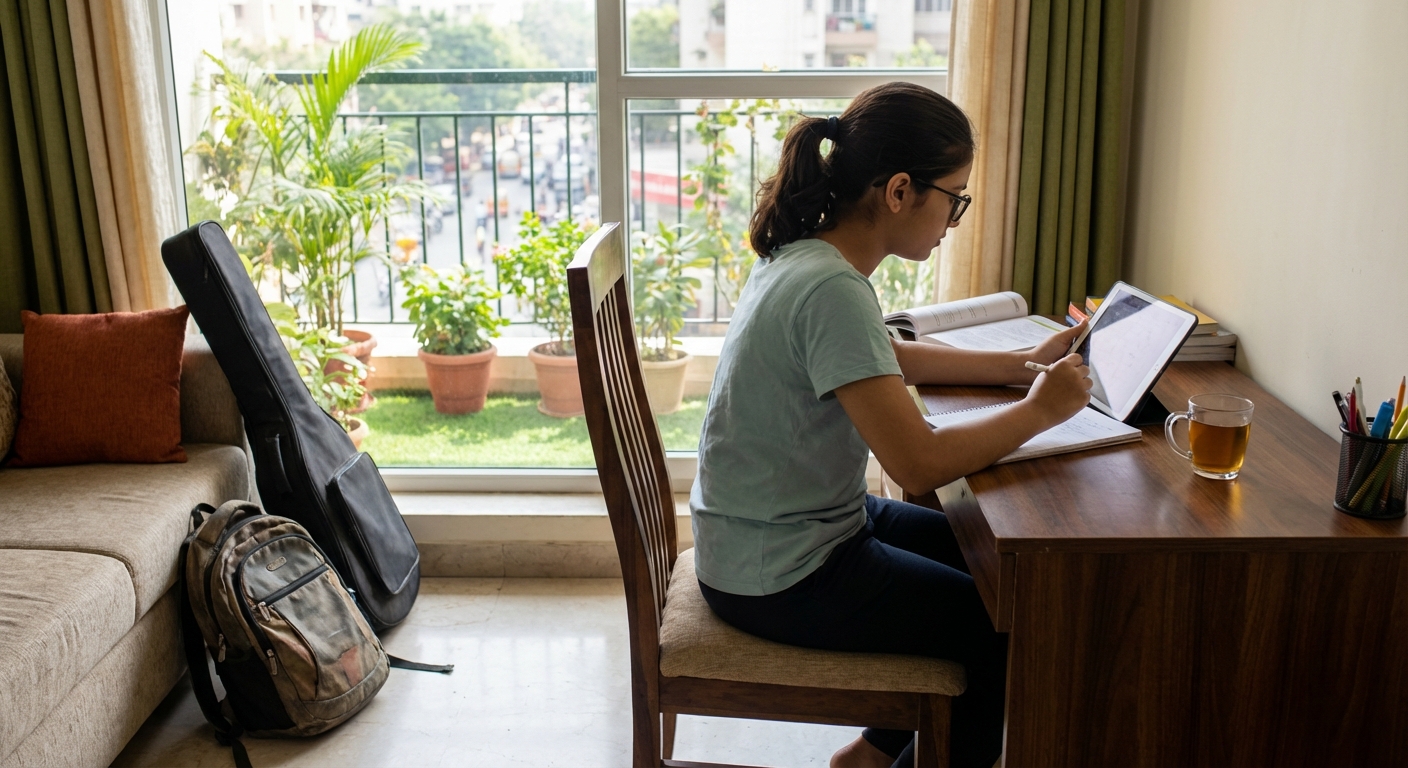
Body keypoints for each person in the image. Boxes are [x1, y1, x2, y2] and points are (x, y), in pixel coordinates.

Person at [689, 82, 1093, 768]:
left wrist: (1017, 365)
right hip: (782, 570)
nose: (954, 220)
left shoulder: (806, 255)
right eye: (954, 199)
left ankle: (870, 759)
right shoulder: (831, 288)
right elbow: (920, 464)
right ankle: (885, 761)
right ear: (900, 191)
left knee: (992, 564)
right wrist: (1040, 412)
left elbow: (886, 354)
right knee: (995, 626)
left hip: (783, 532)